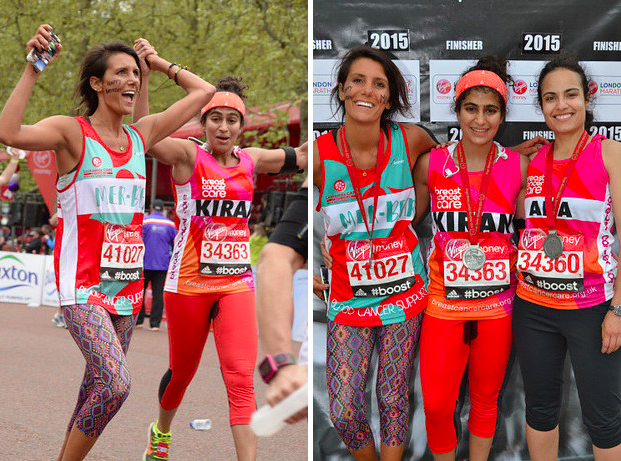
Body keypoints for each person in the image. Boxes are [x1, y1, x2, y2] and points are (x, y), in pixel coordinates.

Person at [0, 24, 215, 461]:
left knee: (95, 388)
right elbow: (10, 133)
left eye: (134, 73)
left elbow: (205, 91)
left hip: (127, 289)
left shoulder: (141, 135)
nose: (131, 80)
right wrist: (32, 70)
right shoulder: (71, 132)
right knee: (116, 385)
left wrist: (156, 64)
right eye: (121, 73)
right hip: (82, 287)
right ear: (97, 84)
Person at [132, 40, 307, 461]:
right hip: (187, 285)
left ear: (242, 126)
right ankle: (161, 430)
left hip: (236, 285)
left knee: (241, 379)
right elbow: (144, 135)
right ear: (203, 122)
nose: (224, 128)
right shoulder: (186, 155)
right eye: (215, 119)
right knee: (182, 373)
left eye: (232, 120)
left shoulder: (251, 160)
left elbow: (304, 156)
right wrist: (149, 74)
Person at [314, 45, 436, 461]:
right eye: (358, 81)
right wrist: (309, 266)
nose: (368, 90)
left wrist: (512, 159)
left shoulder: (411, 139)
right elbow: (297, 218)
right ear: (342, 90)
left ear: (389, 97)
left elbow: (456, 169)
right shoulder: (319, 154)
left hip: (405, 292)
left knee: (393, 397)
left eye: (379, 84)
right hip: (349, 297)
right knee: (344, 410)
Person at [412, 56, 526, 461]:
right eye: (471, 109)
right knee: (437, 405)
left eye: (490, 110)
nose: (480, 120)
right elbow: (402, 224)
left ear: (502, 116)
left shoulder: (520, 167)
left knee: (485, 399)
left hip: (497, 306)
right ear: (457, 111)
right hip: (444, 303)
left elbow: (539, 228)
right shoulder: (432, 163)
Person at [513, 54, 621, 460]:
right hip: (533, 306)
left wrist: (619, 308)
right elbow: (481, 173)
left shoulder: (609, 153)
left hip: (592, 309)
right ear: (541, 106)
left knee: (604, 417)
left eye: (571, 95)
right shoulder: (531, 162)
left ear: (587, 98)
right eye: (550, 98)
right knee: (540, 409)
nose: (562, 106)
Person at [256, 178, 309, 423]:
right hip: (341, 326)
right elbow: (275, 256)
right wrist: (282, 365)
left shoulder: (417, 155)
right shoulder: (323, 161)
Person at [136, 198, 176, 331]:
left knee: (140, 292)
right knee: (158, 294)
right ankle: (155, 324)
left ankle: (139, 321)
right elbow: (175, 245)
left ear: (151, 208)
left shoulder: (144, 222)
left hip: (144, 263)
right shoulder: (170, 224)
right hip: (162, 264)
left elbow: (138, 241)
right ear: (163, 209)